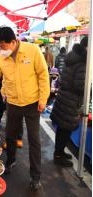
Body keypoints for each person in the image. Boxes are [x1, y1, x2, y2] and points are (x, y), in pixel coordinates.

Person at [0, 26, 50, 191]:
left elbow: (43, 75)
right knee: (10, 135)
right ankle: (11, 161)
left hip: (32, 103)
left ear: (13, 42)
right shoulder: (1, 59)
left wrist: (43, 99)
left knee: (34, 140)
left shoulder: (33, 50)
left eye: (3, 46)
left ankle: (35, 176)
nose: (1, 50)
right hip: (13, 103)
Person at [50, 37, 88, 167]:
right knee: (66, 129)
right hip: (71, 100)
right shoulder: (82, 62)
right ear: (87, 47)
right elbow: (80, 86)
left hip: (64, 96)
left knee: (62, 128)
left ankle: (59, 151)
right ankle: (58, 155)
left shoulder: (71, 58)